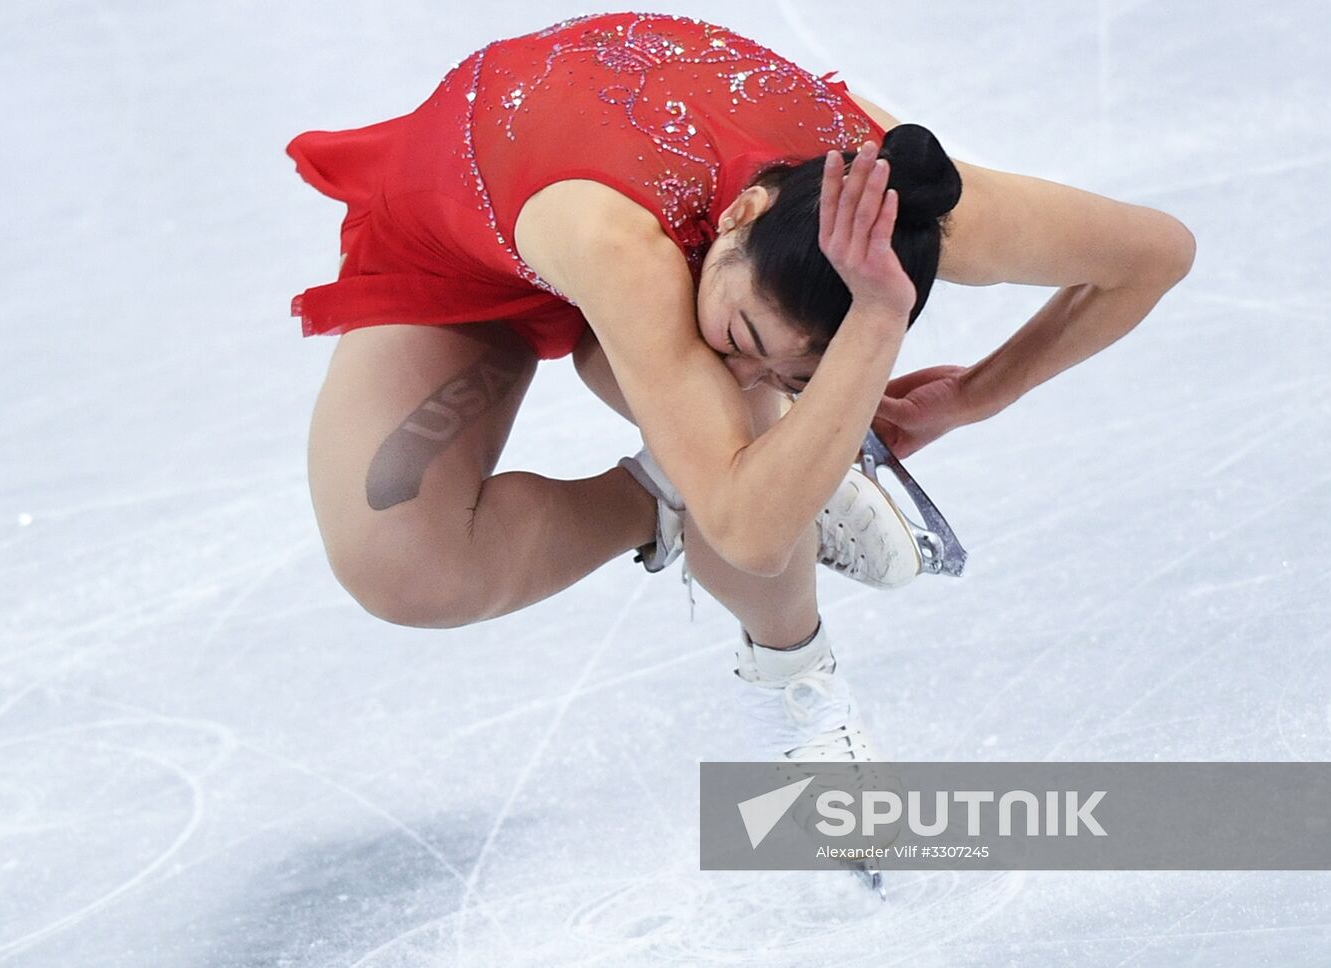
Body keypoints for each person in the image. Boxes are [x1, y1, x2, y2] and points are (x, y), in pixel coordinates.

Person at [291, 13, 1195, 762]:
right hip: (468, 237)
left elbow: (1155, 255)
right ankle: (672, 492)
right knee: (406, 568)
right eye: (746, 340)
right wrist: (841, 362)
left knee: (751, 468)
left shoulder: (902, 210)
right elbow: (751, 529)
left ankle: (792, 671)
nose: (750, 376)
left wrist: (971, 395)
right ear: (741, 215)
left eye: (799, 375)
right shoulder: (625, 247)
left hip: (652, 234)